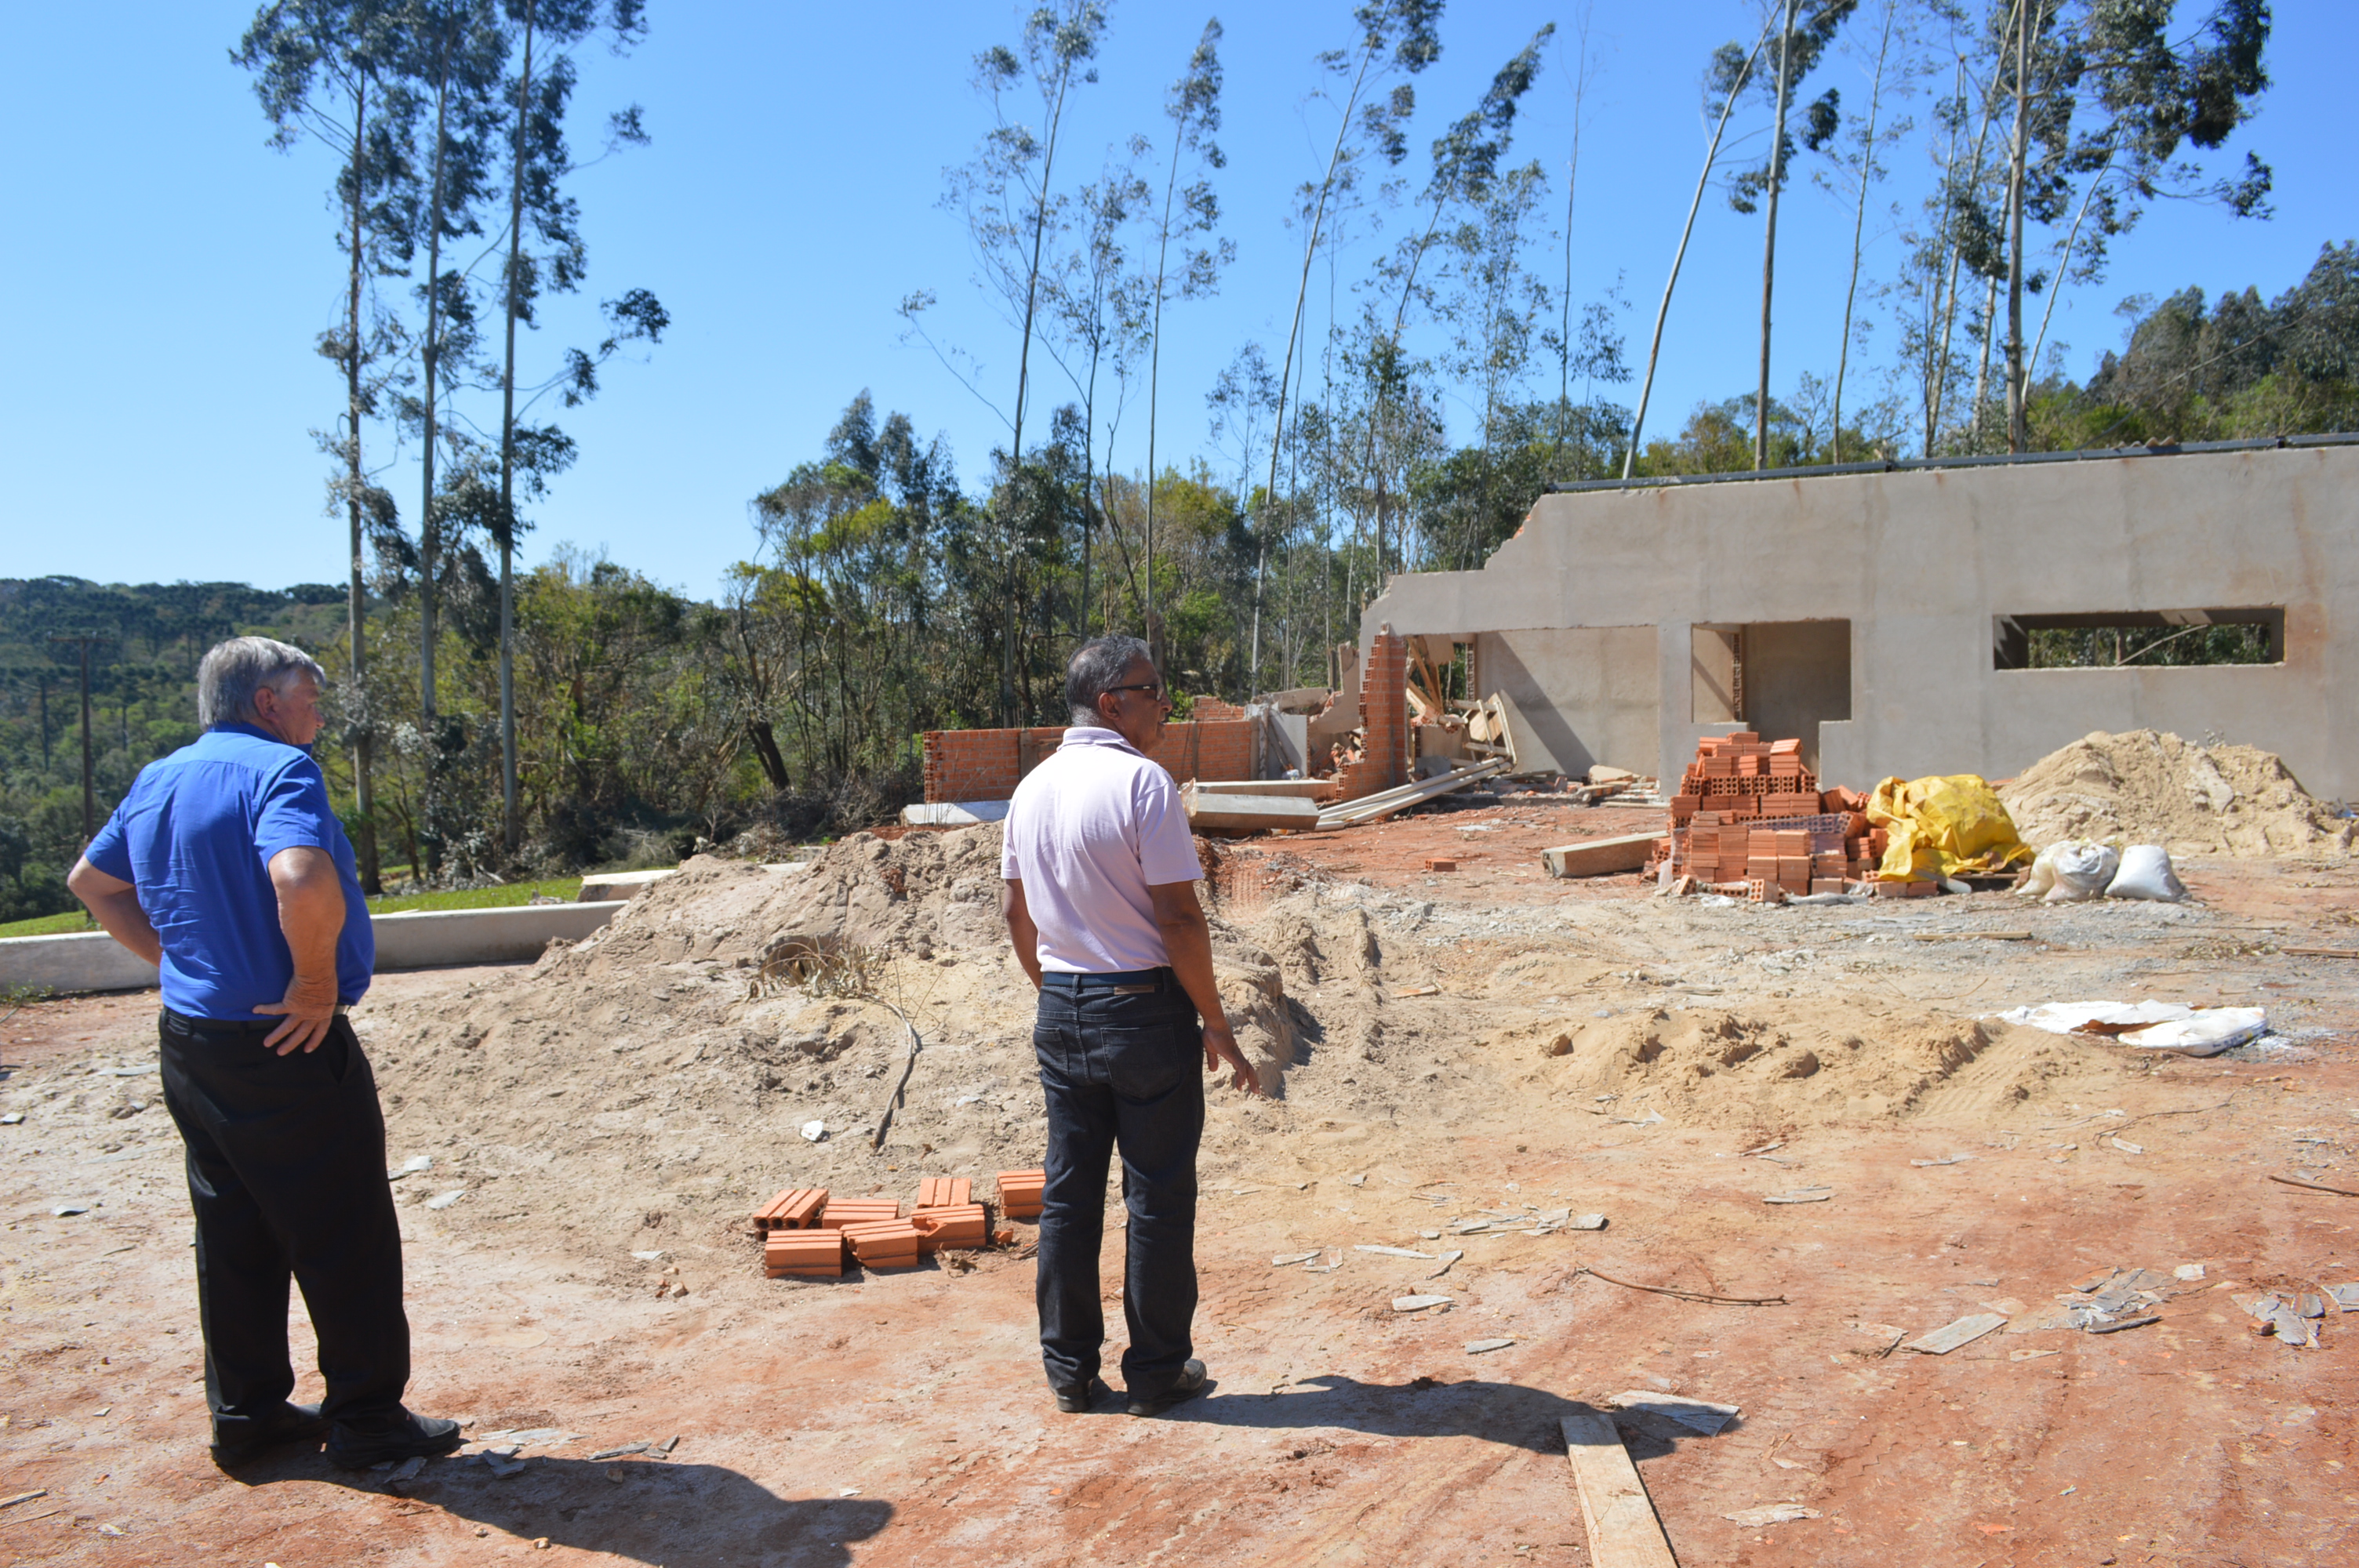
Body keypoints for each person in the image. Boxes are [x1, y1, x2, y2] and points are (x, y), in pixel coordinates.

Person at [67, 637, 462, 1472]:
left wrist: (179, 965)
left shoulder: (158, 778)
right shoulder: (280, 771)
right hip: (286, 1043)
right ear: (266, 702)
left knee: (233, 1229)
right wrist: (314, 985)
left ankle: (246, 1417)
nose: (318, 716)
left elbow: (91, 884)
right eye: (309, 699)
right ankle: (368, 1419)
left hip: (193, 1043)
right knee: (344, 1229)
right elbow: (301, 878)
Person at [999, 635, 1263, 1418]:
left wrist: (1061, 993)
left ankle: (1070, 1372)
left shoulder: (1030, 789)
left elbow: (1015, 912)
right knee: (1156, 1197)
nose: (1166, 705)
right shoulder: (1144, 783)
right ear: (1112, 702)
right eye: (1154, 690)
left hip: (1063, 1007)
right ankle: (1154, 1372)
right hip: (1144, 1013)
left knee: (1069, 1195)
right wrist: (1214, 1021)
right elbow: (1178, 916)